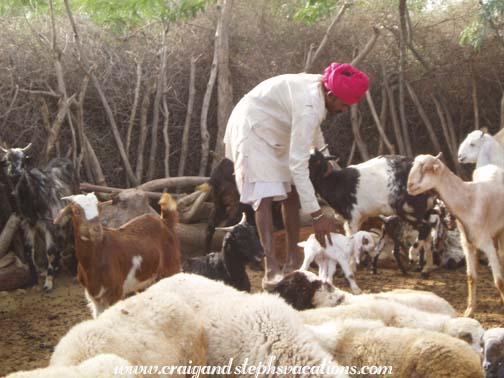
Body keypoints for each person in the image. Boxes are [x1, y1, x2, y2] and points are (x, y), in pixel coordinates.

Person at [223, 62, 370, 290]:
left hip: (279, 127)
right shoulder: (309, 105)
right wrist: (317, 215)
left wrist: (324, 154)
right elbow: (299, 164)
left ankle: (293, 262)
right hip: (253, 125)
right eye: (343, 104)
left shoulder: (319, 94)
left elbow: (314, 125)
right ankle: (270, 268)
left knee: (290, 192)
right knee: (264, 193)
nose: (344, 110)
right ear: (331, 95)